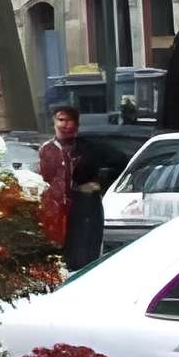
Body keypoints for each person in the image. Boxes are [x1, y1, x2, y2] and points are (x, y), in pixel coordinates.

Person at [40, 106, 120, 271]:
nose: (66, 125)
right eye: (61, 120)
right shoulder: (46, 149)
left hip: (85, 208)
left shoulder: (90, 148)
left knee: (84, 255)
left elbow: (120, 162)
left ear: (77, 124)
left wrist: (100, 183)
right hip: (55, 209)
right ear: (54, 122)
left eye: (70, 121)